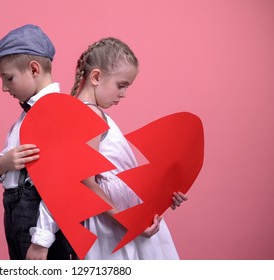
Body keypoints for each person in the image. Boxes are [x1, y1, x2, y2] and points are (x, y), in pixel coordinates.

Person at [31, 37, 187, 259]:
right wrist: (130, 221)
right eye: (121, 85)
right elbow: (85, 182)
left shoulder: (88, 113)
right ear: (96, 76)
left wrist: (160, 196)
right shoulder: (89, 114)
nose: (123, 94)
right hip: (114, 224)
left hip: (122, 216)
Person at [0, 24, 73, 260]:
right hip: (15, 213)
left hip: (38, 220)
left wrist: (42, 240)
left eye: (8, 78)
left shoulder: (57, 112)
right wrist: (3, 163)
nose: (3, 87)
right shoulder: (25, 118)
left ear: (33, 69)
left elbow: (63, 183)